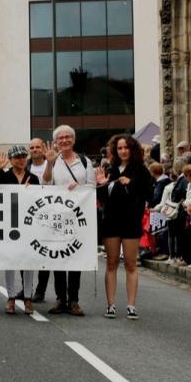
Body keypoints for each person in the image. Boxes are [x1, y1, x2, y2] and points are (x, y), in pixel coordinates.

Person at [95, 134, 152, 320]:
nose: (123, 151)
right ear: (115, 150)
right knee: (111, 263)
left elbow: (150, 194)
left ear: (132, 149)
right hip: (111, 220)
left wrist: (132, 183)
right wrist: (101, 185)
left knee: (130, 263)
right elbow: (102, 198)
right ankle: (110, 305)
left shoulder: (141, 170)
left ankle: (131, 305)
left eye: (126, 147)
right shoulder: (110, 169)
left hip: (131, 221)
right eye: (119, 148)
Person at [41, 124, 91, 317]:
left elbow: (91, 188)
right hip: (56, 216)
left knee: (75, 260)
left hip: (78, 218)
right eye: (60, 138)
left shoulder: (84, 162)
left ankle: (74, 300)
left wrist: (79, 187)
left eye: (67, 137)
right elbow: (45, 183)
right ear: (56, 142)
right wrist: (50, 163)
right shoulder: (54, 160)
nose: (64, 141)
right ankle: (61, 299)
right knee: (59, 259)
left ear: (74, 140)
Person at [0, 145, 39, 315]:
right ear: (10, 160)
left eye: (23, 157)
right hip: (8, 223)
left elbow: (38, 199)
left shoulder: (33, 177)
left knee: (28, 261)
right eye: (17, 157)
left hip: (27, 223)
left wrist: (28, 193)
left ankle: (27, 298)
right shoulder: (4, 176)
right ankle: (10, 297)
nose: (21, 160)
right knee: (9, 261)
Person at [26, 138, 51, 302]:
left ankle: (41, 290)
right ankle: (26, 288)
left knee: (44, 255)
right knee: (26, 253)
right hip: (28, 216)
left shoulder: (53, 164)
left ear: (43, 148)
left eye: (38, 147)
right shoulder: (24, 164)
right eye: (32, 147)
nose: (35, 149)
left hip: (48, 215)